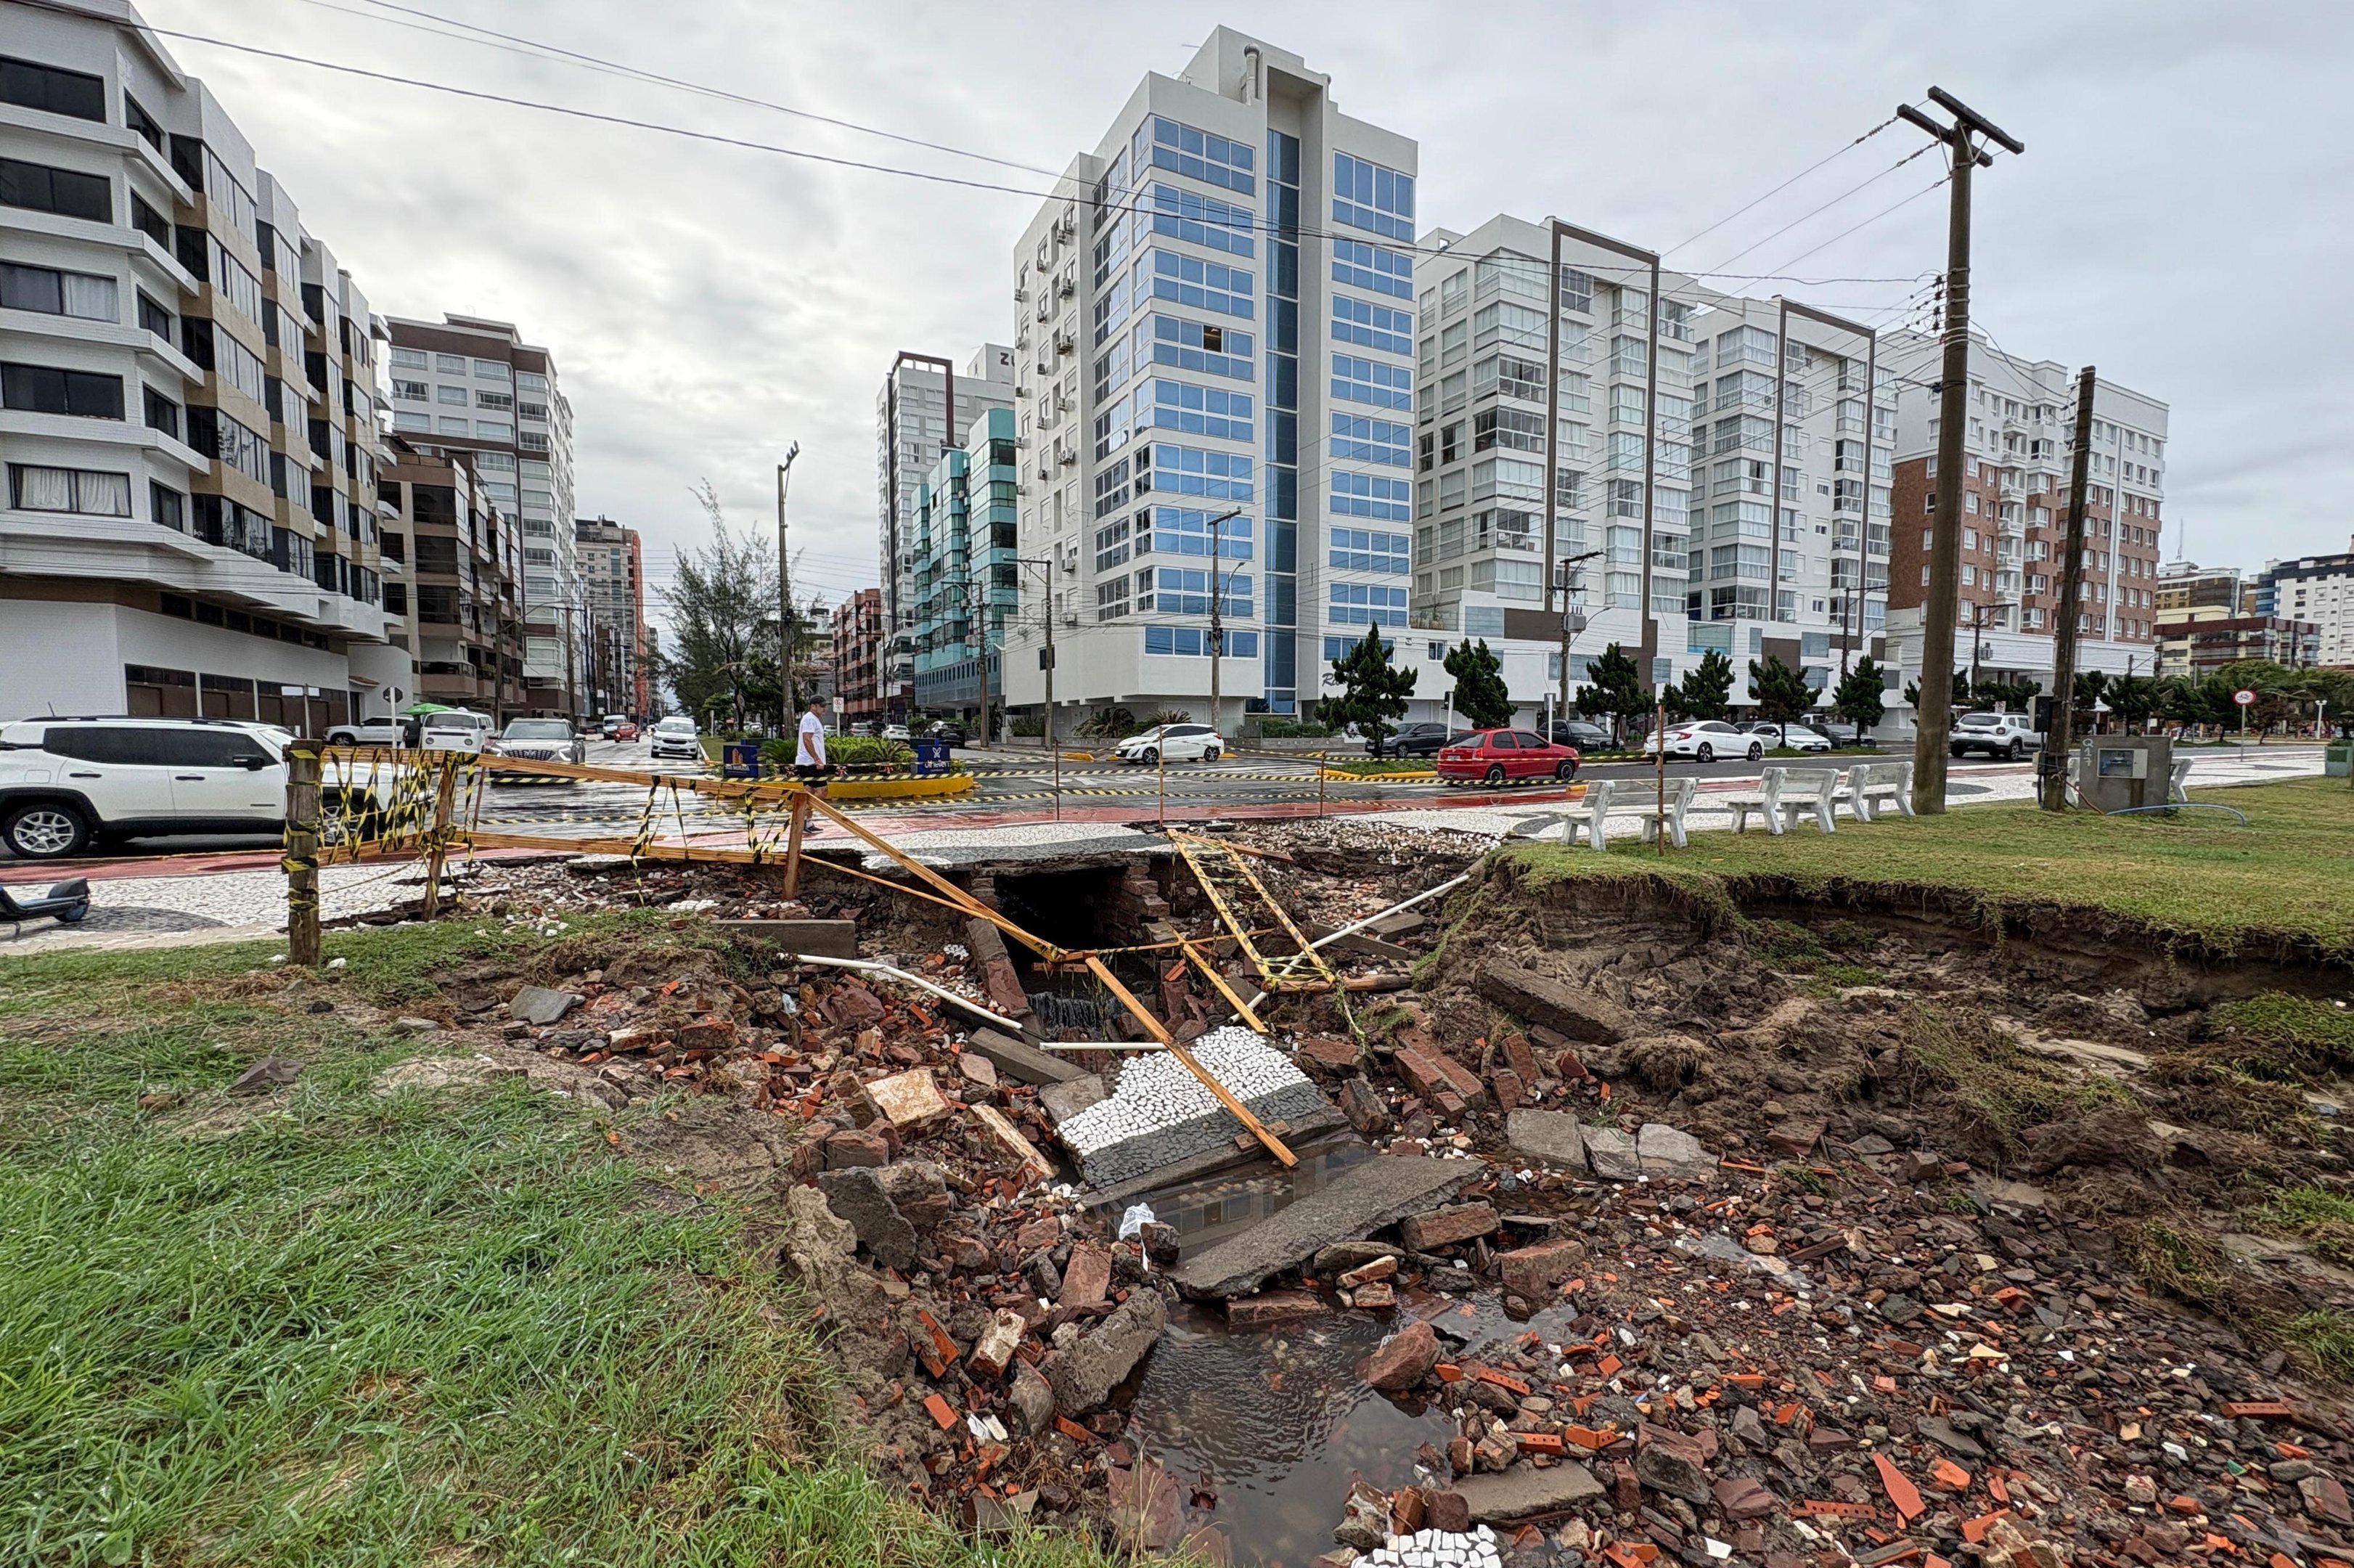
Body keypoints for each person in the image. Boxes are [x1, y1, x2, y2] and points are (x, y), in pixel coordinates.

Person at [793, 695, 830, 833]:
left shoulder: (813, 719)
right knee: (822, 791)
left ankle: (806, 822)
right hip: (809, 763)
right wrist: (817, 758)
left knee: (810, 792)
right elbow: (807, 739)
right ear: (813, 706)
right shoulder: (809, 719)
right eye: (821, 706)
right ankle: (804, 820)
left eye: (825, 706)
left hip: (807, 762)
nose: (824, 709)